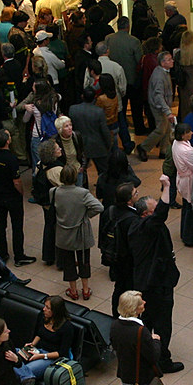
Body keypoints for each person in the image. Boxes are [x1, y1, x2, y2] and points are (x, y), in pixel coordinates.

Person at [128, 176, 184, 374]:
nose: (158, 210)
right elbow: (161, 214)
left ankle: (147, 355)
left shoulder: (138, 227)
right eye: (154, 209)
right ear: (146, 214)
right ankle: (162, 359)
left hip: (145, 282)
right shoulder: (148, 227)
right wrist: (167, 187)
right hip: (157, 284)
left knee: (148, 321)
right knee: (162, 324)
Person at [52, 165, 104, 300]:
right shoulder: (82, 193)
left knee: (68, 262)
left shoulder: (54, 191)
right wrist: (86, 216)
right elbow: (99, 207)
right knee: (84, 260)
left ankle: (73, 290)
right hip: (81, 233)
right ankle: (86, 290)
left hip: (63, 233)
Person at [0, 130, 36, 267]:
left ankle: (2, 253)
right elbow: (17, 181)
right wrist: (21, 193)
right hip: (12, 196)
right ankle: (19, 256)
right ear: (8, 141)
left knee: (1, 224)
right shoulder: (11, 158)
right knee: (17, 226)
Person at [15, 297, 75, 385]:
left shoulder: (67, 327)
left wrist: (41, 356)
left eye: (47, 308)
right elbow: (39, 334)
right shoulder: (45, 318)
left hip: (51, 357)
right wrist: (32, 344)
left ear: (55, 311)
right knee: (13, 354)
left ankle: (26, 380)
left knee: (28, 369)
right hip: (38, 350)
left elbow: (62, 352)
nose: (44, 309)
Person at [105, 16, 143, 141]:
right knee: (136, 106)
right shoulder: (134, 41)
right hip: (131, 77)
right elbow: (139, 60)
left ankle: (122, 128)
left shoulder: (109, 39)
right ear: (128, 26)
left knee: (120, 108)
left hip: (114, 78)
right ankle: (139, 127)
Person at [109, 183, 141, 316]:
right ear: (129, 200)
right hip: (127, 260)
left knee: (119, 286)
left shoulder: (111, 210)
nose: (137, 194)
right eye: (135, 193)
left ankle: (116, 313)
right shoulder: (132, 219)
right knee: (127, 288)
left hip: (115, 256)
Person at [136, 51, 174, 162]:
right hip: (159, 106)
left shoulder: (164, 72)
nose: (172, 61)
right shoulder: (159, 76)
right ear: (162, 63)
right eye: (169, 59)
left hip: (162, 105)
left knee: (166, 129)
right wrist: (167, 111)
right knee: (161, 130)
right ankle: (143, 147)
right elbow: (158, 96)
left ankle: (164, 151)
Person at [70, 87, 112, 175]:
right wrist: (108, 145)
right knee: (103, 171)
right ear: (95, 97)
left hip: (79, 145)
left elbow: (71, 128)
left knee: (79, 169)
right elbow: (104, 131)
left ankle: (81, 186)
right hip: (97, 145)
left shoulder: (73, 109)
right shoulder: (99, 111)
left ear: (82, 96)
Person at [172, 123, 193, 246]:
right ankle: (189, 237)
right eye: (189, 132)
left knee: (186, 207)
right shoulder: (187, 150)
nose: (191, 133)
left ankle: (184, 233)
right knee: (192, 209)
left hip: (183, 178)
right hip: (189, 180)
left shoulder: (175, 144)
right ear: (183, 135)